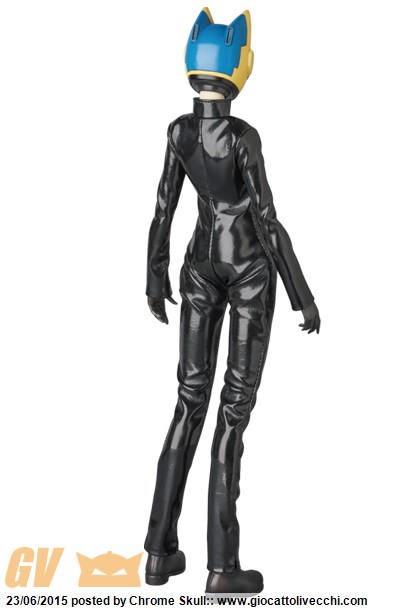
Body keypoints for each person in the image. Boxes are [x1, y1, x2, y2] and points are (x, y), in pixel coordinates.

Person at [144, 7, 321, 594]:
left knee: (187, 402)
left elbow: (163, 208)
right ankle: (223, 567)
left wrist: (154, 277)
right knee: (232, 413)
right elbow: (266, 219)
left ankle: (158, 553)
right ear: (241, 67)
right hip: (247, 272)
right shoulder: (244, 136)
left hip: (198, 267)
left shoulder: (178, 132)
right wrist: (301, 294)